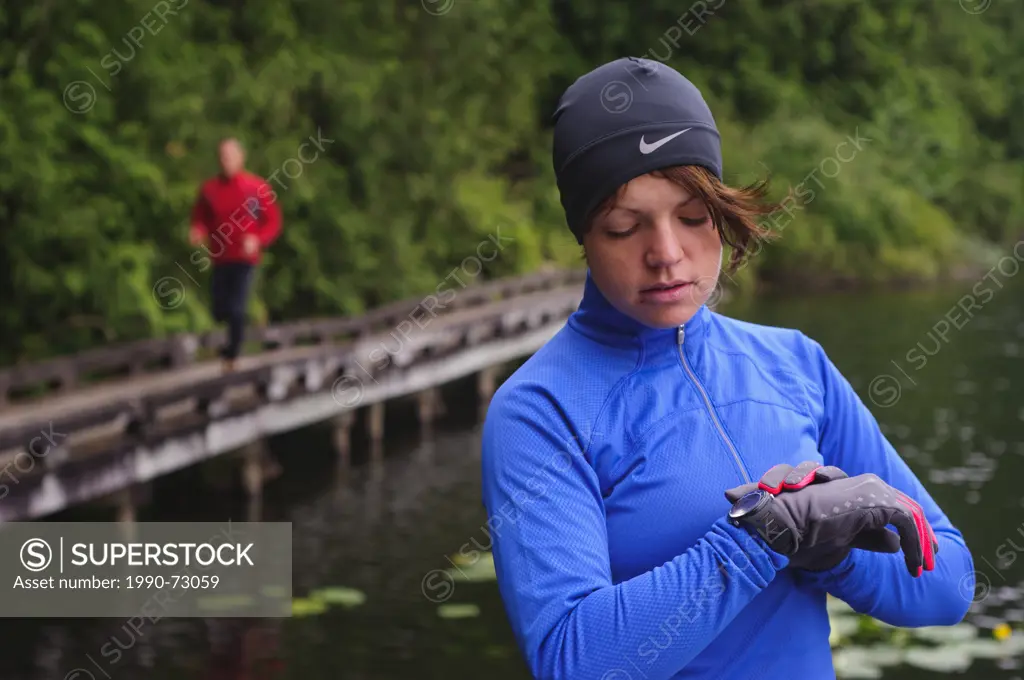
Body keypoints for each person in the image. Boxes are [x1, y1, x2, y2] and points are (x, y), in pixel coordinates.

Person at [480, 57, 974, 680]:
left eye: (692, 218)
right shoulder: (540, 410)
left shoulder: (796, 363)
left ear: (721, 212)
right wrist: (762, 538)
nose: (665, 253)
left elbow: (949, 583)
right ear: (584, 235)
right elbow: (574, 660)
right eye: (623, 227)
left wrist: (831, 550)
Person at [189, 138, 282, 371]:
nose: (226, 161)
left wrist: (258, 239)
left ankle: (233, 354)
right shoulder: (209, 190)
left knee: (237, 307)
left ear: (241, 158)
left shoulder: (255, 188)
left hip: (245, 259)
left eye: (230, 156)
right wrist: (198, 231)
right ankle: (228, 344)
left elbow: (273, 222)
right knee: (219, 309)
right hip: (220, 258)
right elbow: (200, 217)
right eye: (222, 156)